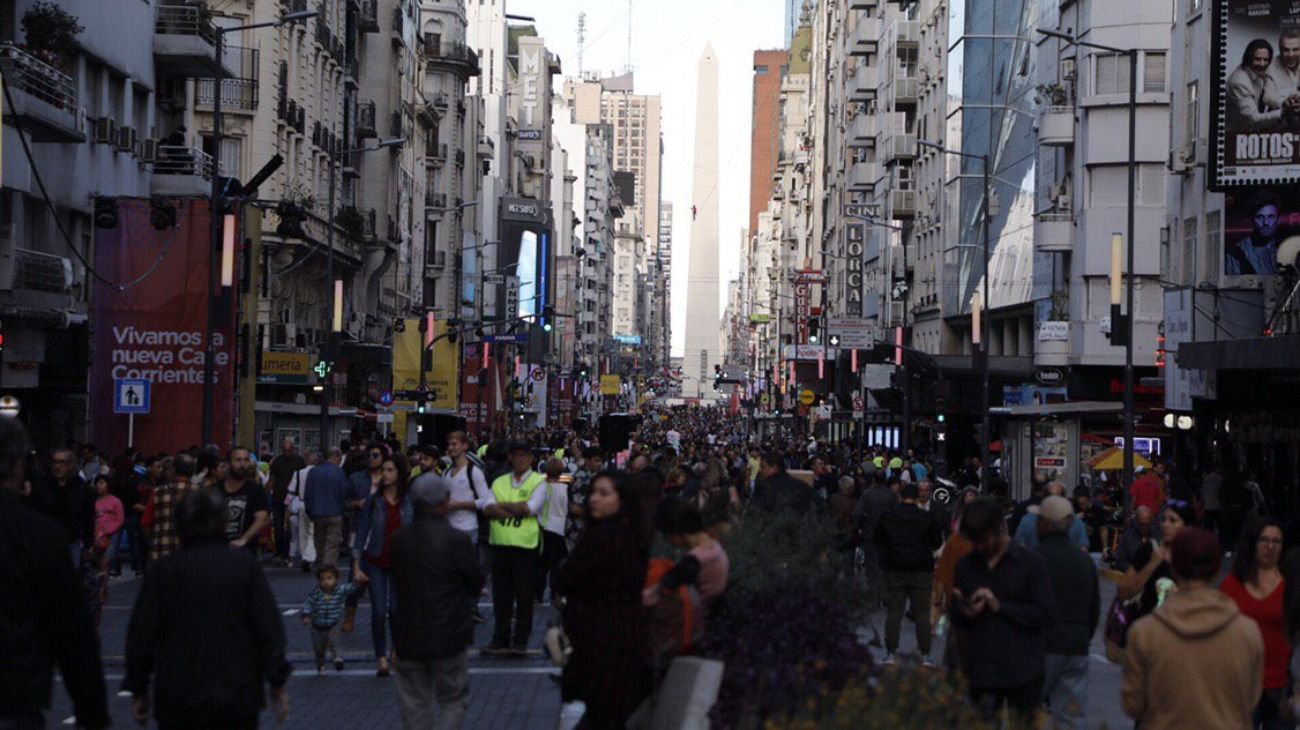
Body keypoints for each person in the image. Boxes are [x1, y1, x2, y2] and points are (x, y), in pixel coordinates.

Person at [123, 488, 291, 728]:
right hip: (236, 694)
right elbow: (268, 627)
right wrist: (277, 681)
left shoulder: (164, 571)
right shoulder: (243, 567)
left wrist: (138, 687)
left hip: (178, 696)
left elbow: (142, 634)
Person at [0, 419, 109, 729]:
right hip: (15, 691)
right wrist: (93, 712)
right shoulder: (39, 535)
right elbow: (73, 632)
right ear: (20, 466)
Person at [1122, 529, 1263, 729]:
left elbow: (1133, 705)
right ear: (1216, 571)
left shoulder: (1145, 633)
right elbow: (1250, 699)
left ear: (1175, 568)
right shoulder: (1247, 633)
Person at [556, 472, 652, 729]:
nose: (594, 499)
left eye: (604, 493)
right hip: (618, 640)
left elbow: (566, 578)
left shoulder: (604, 537)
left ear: (622, 500)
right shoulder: (633, 534)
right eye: (592, 492)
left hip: (602, 643)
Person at [949, 497, 1055, 727]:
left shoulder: (1030, 563)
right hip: (981, 671)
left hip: (1023, 670)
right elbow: (957, 616)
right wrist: (963, 610)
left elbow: (1045, 613)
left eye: (983, 540)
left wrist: (1000, 607)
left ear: (998, 530)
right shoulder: (966, 566)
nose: (978, 547)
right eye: (974, 541)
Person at [391, 473, 486, 730]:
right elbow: (475, 583)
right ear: (444, 501)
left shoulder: (399, 540)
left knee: (414, 703)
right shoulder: (457, 540)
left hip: (408, 634)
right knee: (453, 699)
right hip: (449, 633)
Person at [1035, 496, 1100, 730]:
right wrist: (1083, 636)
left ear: (1044, 524)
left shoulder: (1036, 559)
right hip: (1076, 645)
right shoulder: (1085, 562)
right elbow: (1094, 608)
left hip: (1043, 645)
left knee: (1027, 711)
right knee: (1070, 717)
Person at [1221, 518, 1291, 729]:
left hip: (1281, 687)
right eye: (1264, 540)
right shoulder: (1232, 585)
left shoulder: (1291, 585)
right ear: (1253, 543)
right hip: (1240, 686)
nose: (1270, 546)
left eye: (1276, 541)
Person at [481, 441, 548, 657]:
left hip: (525, 547)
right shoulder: (500, 481)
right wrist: (515, 509)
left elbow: (530, 508)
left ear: (531, 459)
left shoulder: (538, 481)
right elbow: (488, 508)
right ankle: (500, 639)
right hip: (500, 545)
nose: (520, 459)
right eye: (516, 455)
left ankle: (520, 641)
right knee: (501, 598)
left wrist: (504, 505)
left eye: (524, 455)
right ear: (510, 458)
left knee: (524, 596)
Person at [353, 453, 413, 676]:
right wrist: (356, 565)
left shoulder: (409, 500)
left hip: (401, 561)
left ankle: (396, 649)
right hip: (376, 559)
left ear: (399, 474)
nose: (385, 475)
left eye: (390, 471)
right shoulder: (374, 501)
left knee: (396, 610)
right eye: (383, 470)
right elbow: (362, 532)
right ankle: (381, 657)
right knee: (378, 611)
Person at [875, 481, 944, 664]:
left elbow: (878, 539)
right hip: (921, 568)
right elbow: (937, 542)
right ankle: (925, 654)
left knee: (894, 611)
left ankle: (890, 651)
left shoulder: (888, 516)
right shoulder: (926, 517)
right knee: (922, 613)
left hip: (895, 567)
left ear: (900, 496)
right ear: (917, 497)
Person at [1117, 500, 1196, 621]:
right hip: (1145, 628)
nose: (1165, 525)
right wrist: (1151, 565)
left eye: (1173, 521)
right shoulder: (1149, 550)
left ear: (1188, 527)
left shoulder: (1194, 557)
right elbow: (1123, 593)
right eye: (1164, 519)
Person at [27, 447, 95, 568]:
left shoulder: (82, 488)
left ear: (71, 465)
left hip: (71, 541)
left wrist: (88, 544)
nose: (57, 466)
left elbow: (88, 517)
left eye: (62, 462)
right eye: (55, 462)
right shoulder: (42, 486)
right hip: (46, 542)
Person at [301, 565, 361, 673]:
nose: (326, 582)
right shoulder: (316, 593)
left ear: (336, 579)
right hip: (317, 626)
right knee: (319, 648)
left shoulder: (339, 590)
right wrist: (306, 615)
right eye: (323, 579)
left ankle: (338, 659)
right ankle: (321, 665)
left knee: (334, 641)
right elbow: (308, 604)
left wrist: (358, 582)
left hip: (333, 623)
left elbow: (351, 588)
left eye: (329, 578)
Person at [144, 452, 197, 563]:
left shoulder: (158, 492)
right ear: (192, 471)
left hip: (161, 553)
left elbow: (146, 523)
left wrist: (154, 540)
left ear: (174, 470)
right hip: (191, 554)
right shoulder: (201, 493)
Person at [217, 446, 270, 553]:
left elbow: (262, 518)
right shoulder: (215, 491)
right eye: (238, 460)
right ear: (228, 463)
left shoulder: (255, 490)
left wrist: (243, 540)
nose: (243, 464)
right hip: (217, 552)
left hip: (245, 554)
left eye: (246, 460)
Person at [1228, 39, 1288, 133]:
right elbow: (1253, 120)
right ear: (1249, 58)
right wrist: (1283, 112)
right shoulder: (1239, 82)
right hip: (1236, 137)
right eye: (1258, 59)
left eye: (1266, 60)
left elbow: (1267, 97)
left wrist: (1285, 104)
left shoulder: (1259, 72)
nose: (1262, 64)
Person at [306, 448, 352, 570]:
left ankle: (321, 563)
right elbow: (344, 493)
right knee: (332, 543)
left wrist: (309, 511)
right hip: (335, 512)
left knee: (319, 541)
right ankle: (328, 568)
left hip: (317, 513)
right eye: (340, 459)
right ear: (336, 457)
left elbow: (308, 494)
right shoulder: (339, 472)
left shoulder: (314, 472)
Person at [1014, 482, 1090, 551]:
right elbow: (1083, 549)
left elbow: (1019, 546)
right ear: (1064, 499)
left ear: (1043, 498)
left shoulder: (1028, 519)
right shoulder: (1075, 521)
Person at [1227, 191, 1284, 277]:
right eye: (1260, 217)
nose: (1266, 222)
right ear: (1252, 220)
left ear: (1278, 219)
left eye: (1270, 217)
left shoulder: (1286, 246)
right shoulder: (1236, 253)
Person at [267, 438, 305, 564]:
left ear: (293, 449)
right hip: (278, 498)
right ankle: (280, 552)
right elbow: (272, 479)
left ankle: (288, 552)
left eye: (288, 450)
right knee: (278, 526)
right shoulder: (277, 461)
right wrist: (267, 493)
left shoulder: (299, 461)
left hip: (292, 499)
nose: (286, 453)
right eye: (284, 450)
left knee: (290, 527)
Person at [537, 458, 571, 603]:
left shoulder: (540, 487)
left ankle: (537, 594)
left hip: (543, 528)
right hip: (559, 528)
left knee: (541, 565)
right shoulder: (565, 489)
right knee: (557, 565)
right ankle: (554, 594)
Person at [1112, 505, 1156, 571]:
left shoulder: (1157, 535)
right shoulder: (1128, 536)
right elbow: (1119, 561)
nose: (1145, 528)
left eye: (1147, 524)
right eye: (1142, 525)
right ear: (1136, 522)